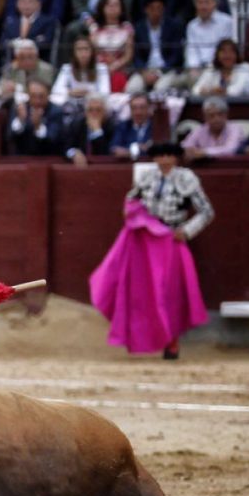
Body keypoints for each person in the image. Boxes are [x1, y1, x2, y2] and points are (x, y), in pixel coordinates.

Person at [89, 142, 212, 360]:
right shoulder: (147, 177)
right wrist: (134, 217)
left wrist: (187, 230)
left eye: (169, 156)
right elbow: (131, 200)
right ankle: (144, 338)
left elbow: (206, 212)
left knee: (169, 293)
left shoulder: (187, 178)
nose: (164, 160)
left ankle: (171, 341)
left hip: (172, 241)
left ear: (176, 158)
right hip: (146, 242)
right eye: (160, 156)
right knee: (143, 292)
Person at [181, 97, 246, 161]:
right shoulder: (200, 130)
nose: (216, 119)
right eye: (211, 115)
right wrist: (190, 151)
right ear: (205, 117)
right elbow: (186, 146)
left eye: (220, 114)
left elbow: (231, 149)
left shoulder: (235, 129)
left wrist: (205, 152)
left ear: (226, 115)